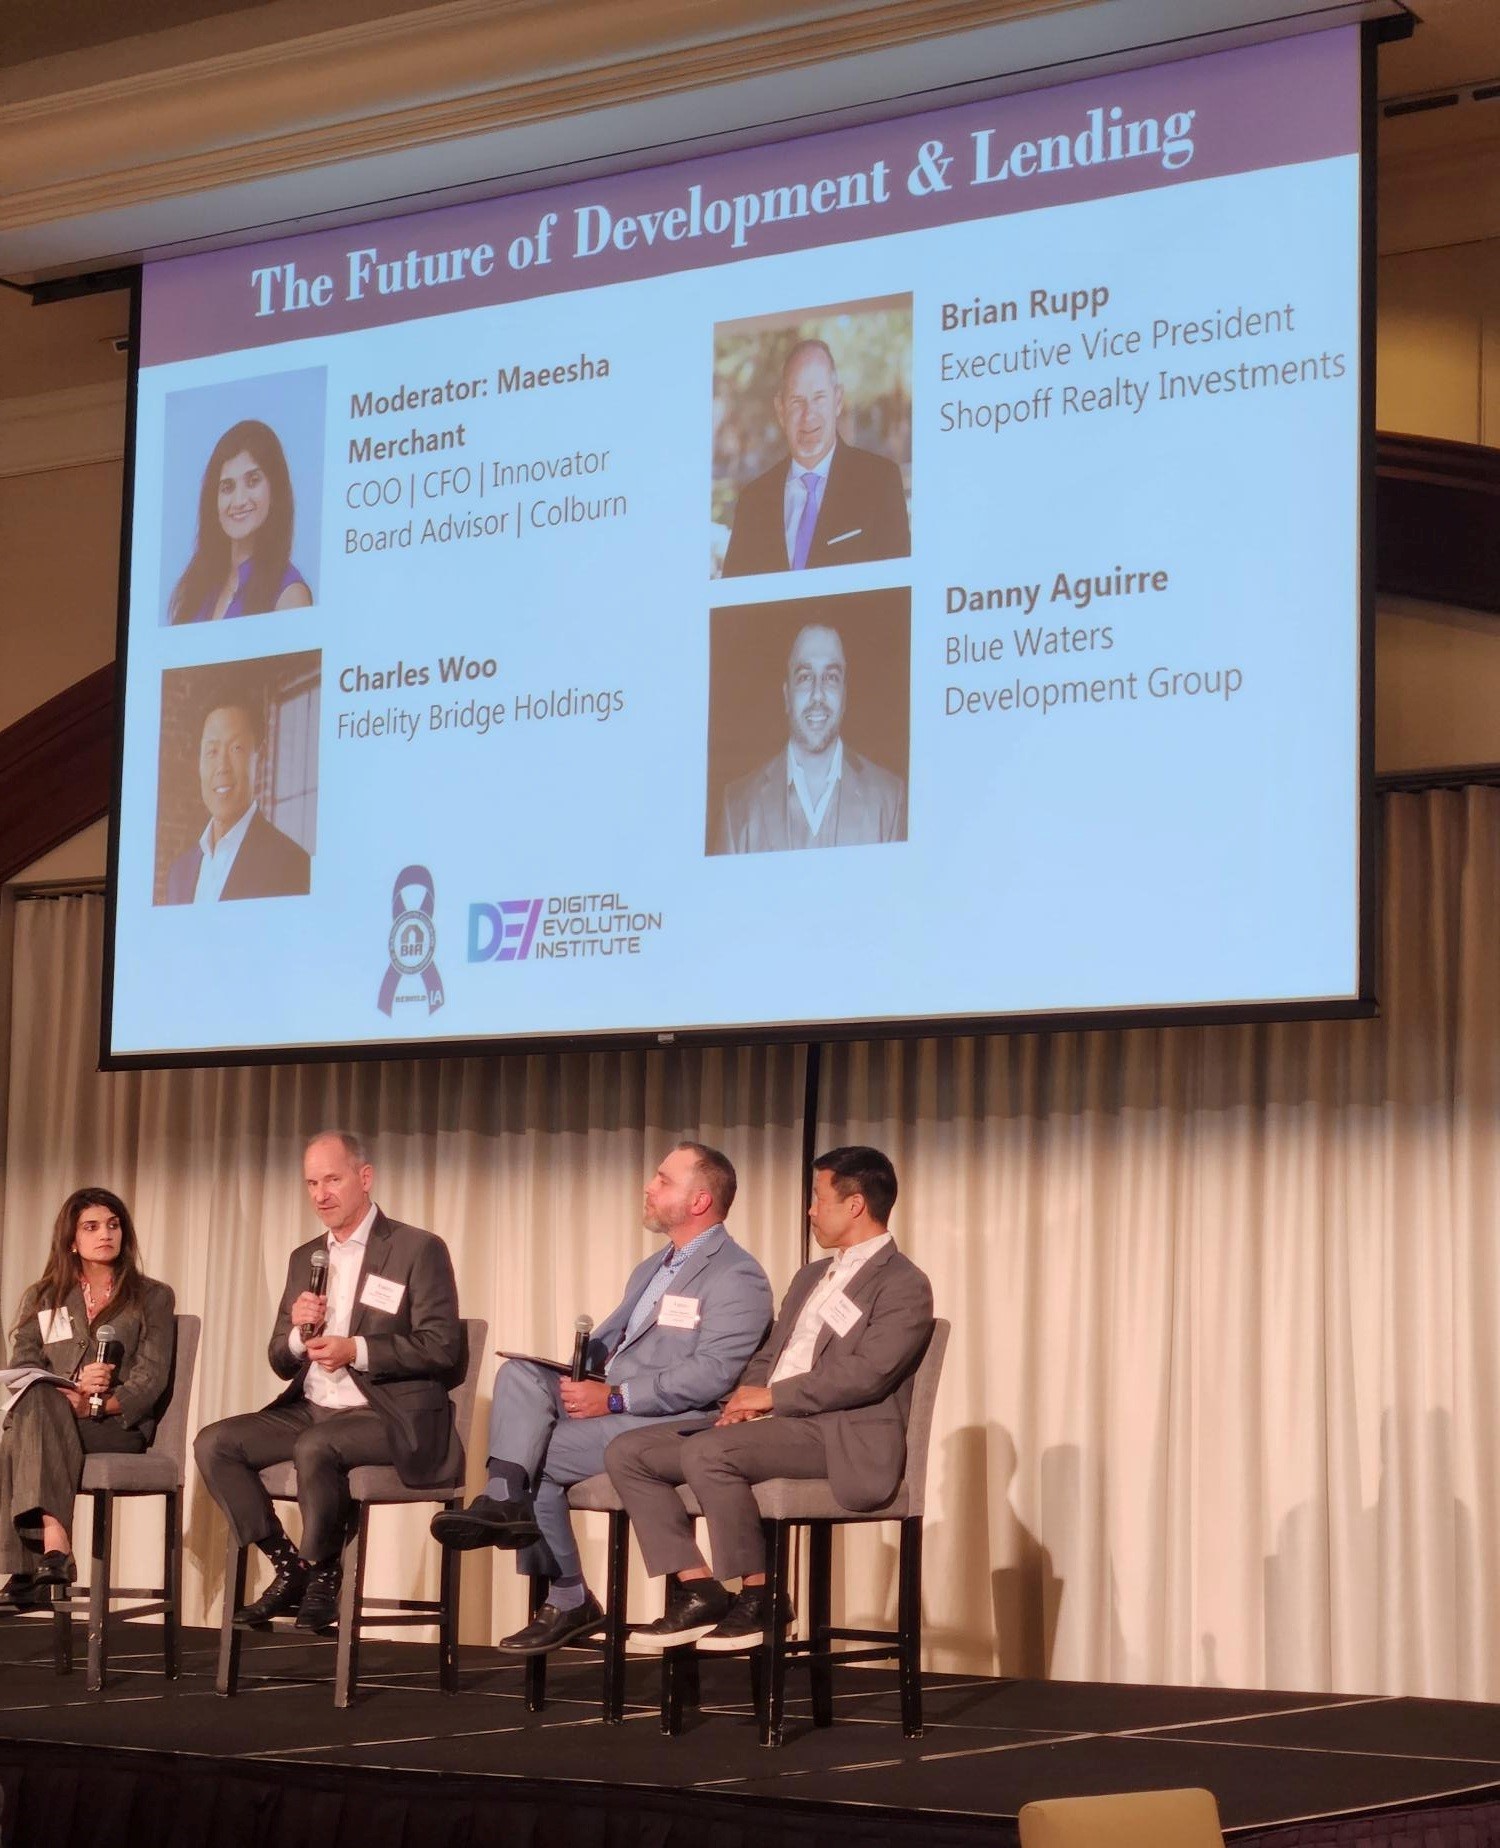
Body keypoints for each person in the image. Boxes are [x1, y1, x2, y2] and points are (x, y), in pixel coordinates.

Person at [429, 1142, 773, 1656]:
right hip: (613, 1401)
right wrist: (576, 1370)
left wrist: (615, 1398)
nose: (648, 1187)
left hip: (674, 1419)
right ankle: (503, 1497)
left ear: (700, 1200)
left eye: (663, 1179)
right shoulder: (653, 1267)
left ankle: (567, 1593)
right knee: (519, 1375)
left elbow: (712, 1375)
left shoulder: (736, 1275)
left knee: (536, 1456)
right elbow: (617, 1348)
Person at [605, 1146, 932, 1653]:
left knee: (708, 1452)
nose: (810, 1210)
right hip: (772, 1424)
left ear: (855, 1205)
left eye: (818, 1198)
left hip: (838, 1433)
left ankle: (762, 1597)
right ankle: (699, 1588)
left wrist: (772, 1396)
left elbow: (868, 1374)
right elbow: (770, 1353)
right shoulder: (810, 1276)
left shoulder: (903, 1283)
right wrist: (745, 1396)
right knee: (631, 1452)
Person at [194, 1131, 463, 1633]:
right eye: (311, 1184)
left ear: (365, 1178)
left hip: (387, 1413)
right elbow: (280, 1359)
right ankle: (289, 1565)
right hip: (313, 1406)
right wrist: (298, 1336)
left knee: (316, 1446)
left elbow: (443, 1346)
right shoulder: (306, 1258)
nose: (320, 1195)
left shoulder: (416, 1248)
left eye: (332, 1180)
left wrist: (356, 1349)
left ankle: (323, 1572)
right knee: (215, 1443)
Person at [1, 1189, 176, 1611]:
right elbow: (23, 1365)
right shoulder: (45, 1296)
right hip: (55, 1414)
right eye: (92, 1227)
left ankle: (30, 1564)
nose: (105, 1235)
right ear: (71, 1241)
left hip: (116, 1424)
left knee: (16, 1439)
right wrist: (75, 1387)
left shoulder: (152, 1296)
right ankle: (53, 1552)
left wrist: (95, 1404)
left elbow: (150, 1379)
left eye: (113, 1225)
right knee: (37, 1401)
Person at [720, 339, 909, 577]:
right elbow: (734, 598)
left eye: (819, 398)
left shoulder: (880, 482)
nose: (808, 415)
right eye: (797, 401)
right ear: (780, 410)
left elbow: (897, 592)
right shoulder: (753, 501)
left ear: (837, 401)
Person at [717, 622, 906, 854]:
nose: (818, 694)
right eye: (805, 677)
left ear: (845, 696)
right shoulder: (737, 807)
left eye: (831, 677)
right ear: (787, 696)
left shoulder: (890, 798)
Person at [162, 701, 312, 904]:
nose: (222, 767)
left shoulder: (292, 864)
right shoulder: (178, 873)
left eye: (236, 748)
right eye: (212, 751)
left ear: (260, 757)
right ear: (199, 763)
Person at [168, 419, 313, 623]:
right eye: (227, 487)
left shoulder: (290, 595)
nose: (239, 501)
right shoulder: (197, 586)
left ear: (275, 489)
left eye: (253, 481)